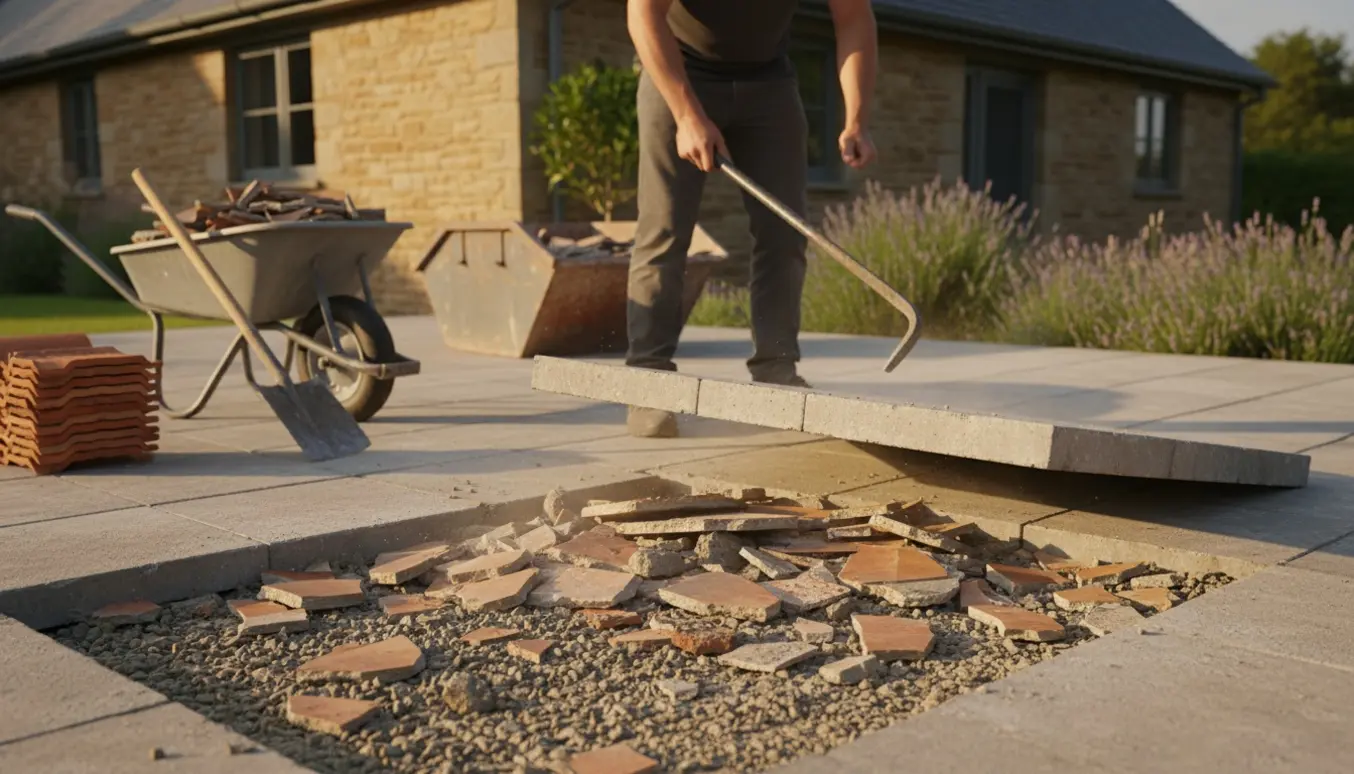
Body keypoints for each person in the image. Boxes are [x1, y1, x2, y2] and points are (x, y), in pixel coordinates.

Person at [624, 0, 879, 438]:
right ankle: (648, 382)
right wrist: (686, 115)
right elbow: (642, 13)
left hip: (769, 81)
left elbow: (854, 18)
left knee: (785, 234)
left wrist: (856, 118)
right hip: (681, 71)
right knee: (664, 229)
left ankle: (777, 373)